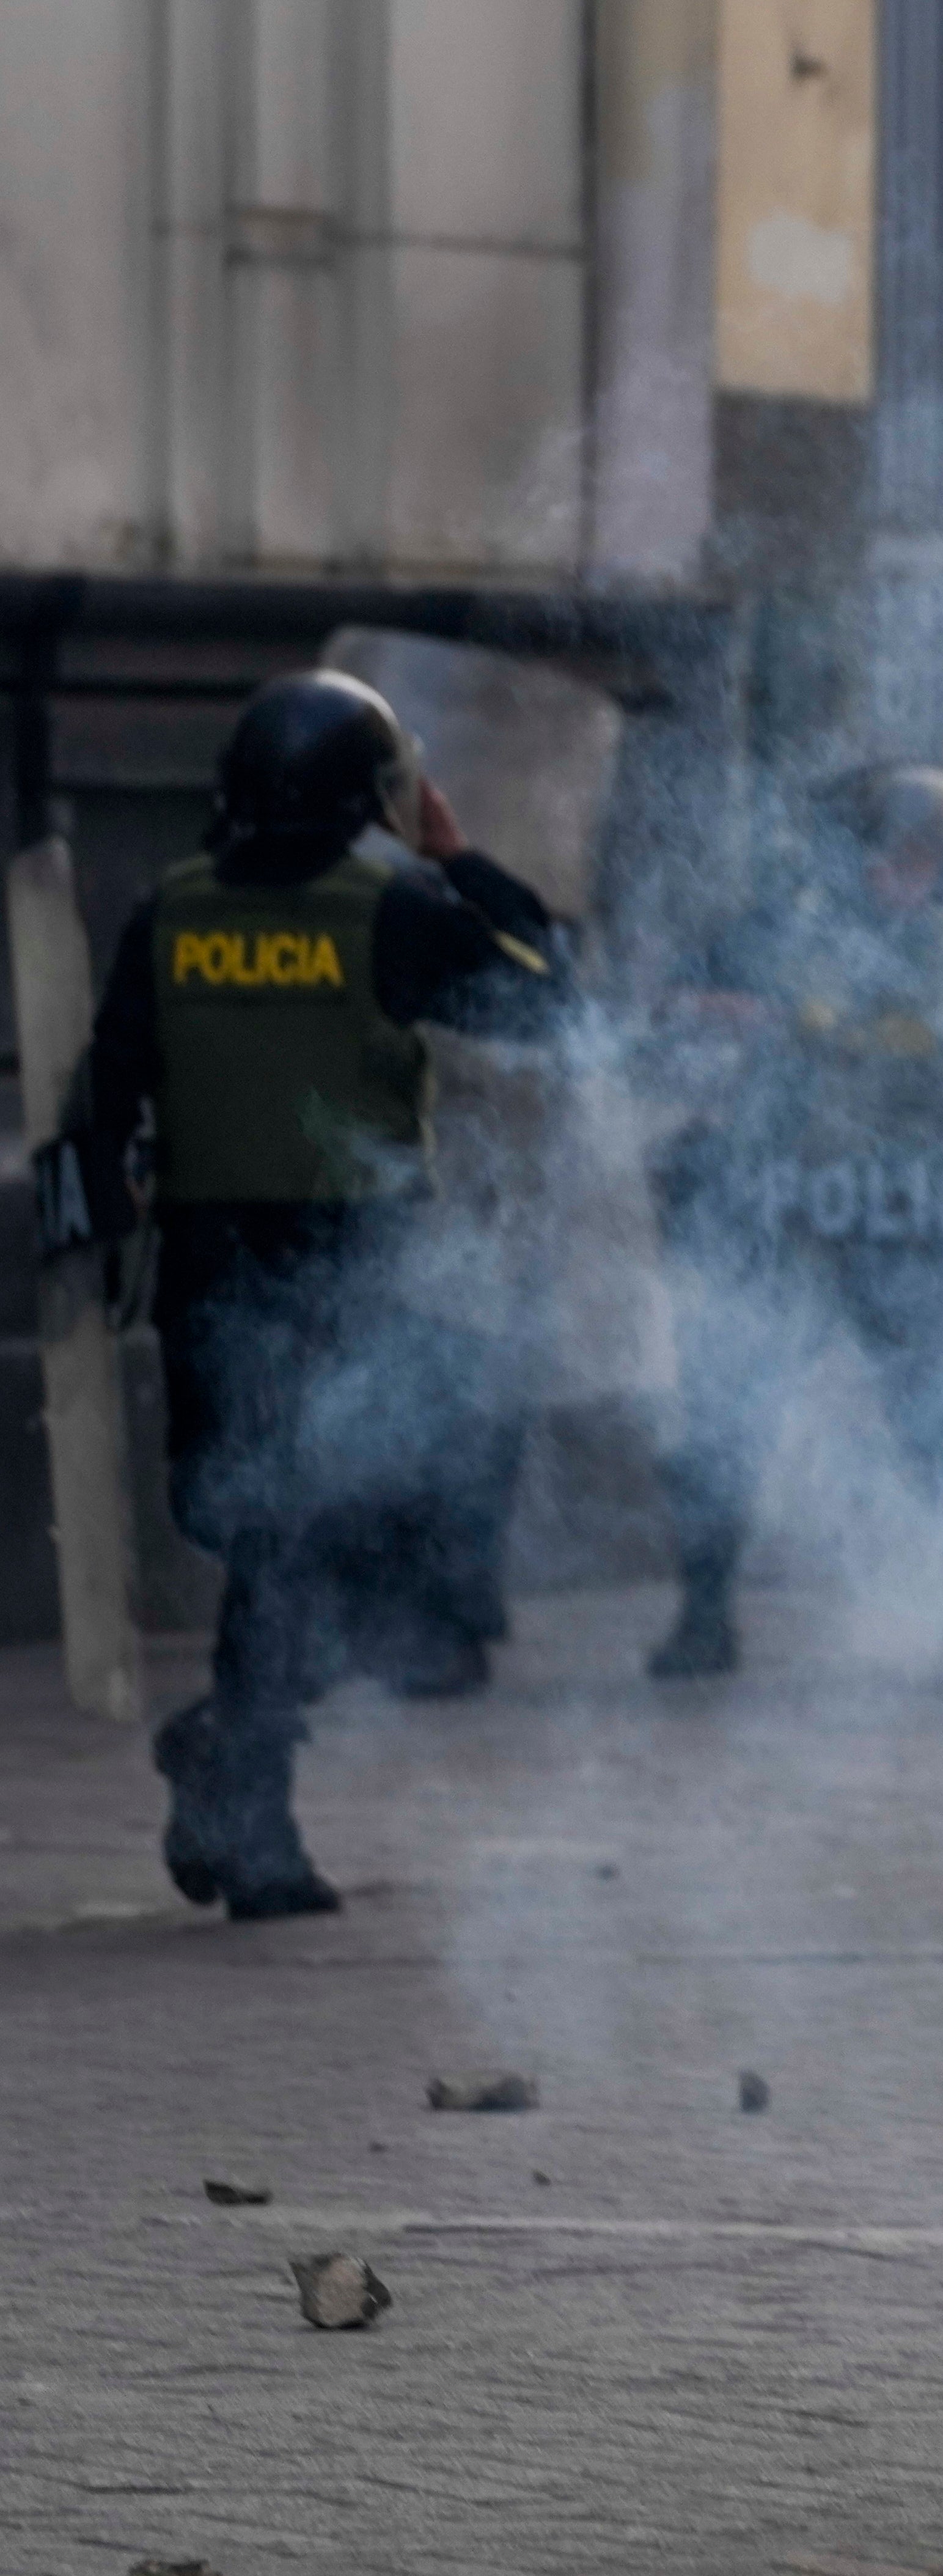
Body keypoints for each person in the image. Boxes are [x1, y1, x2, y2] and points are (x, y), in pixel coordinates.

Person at [46, 670, 571, 1918]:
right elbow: (554, 1007)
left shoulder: (169, 910)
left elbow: (101, 1099)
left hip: (212, 1283)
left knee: (277, 1544)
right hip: (353, 1281)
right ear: (370, 794)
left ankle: (241, 1774)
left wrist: (95, 1247)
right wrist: (463, 857)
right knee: (330, 1555)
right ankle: (242, 1777)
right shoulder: (398, 904)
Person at [639, 763, 943, 1687]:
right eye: (880, 853)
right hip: (786, 1223)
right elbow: (665, 1011)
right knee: (725, 1418)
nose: (893, 874)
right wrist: (729, 1016)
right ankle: (704, 1616)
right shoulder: (782, 934)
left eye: (917, 856)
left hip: (906, 1231)